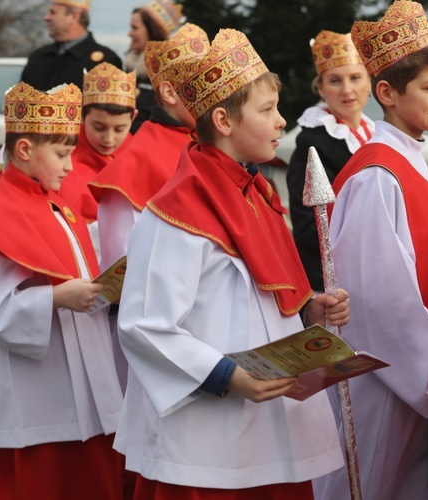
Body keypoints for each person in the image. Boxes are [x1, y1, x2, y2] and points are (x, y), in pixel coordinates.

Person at [114, 28, 350, 498]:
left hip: (270, 426)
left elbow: (258, 297)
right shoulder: (174, 212)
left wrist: (308, 311)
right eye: (267, 111)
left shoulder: (255, 193)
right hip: (206, 435)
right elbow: (144, 324)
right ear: (223, 119)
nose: (282, 121)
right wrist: (224, 375)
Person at [317, 2, 428, 499]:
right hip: (391, 386)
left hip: (418, 380)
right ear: (387, 93)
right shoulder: (378, 175)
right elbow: (377, 304)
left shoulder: (408, 159)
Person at [0, 81, 125, 500]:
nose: (70, 166)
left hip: (73, 370)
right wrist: (55, 298)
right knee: (38, 482)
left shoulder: (51, 199)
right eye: (62, 155)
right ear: (26, 150)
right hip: (34, 385)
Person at [87, 23, 208, 394]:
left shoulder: (203, 146)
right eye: (201, 85)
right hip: (170, 339)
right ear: (170, 92)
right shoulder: (136, 166)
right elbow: (125, 275)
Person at [286, 30, 374, 291]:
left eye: (355, 78)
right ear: (321, 89)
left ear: (369, 82)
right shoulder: (312, 143)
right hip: (340, 280)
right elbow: (309, 229)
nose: (347, 90)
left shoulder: (374, 132)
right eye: (335, 81)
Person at [59, 61, 136, 223]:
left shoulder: (140, 154)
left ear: (133, 117)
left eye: (120, 129)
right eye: (98, 127)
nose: (108, 139)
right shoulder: (61, 156)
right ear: (81, 116)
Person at [21, 0, 121, 92]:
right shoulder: (38, 56)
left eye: (53, 12)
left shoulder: (105, 62)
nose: (46, 17)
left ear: (74, 16)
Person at [125, 0, 184, 133]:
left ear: (152, 31)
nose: (129, 33)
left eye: (135, 28)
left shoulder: (170, 76)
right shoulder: (129, 69)